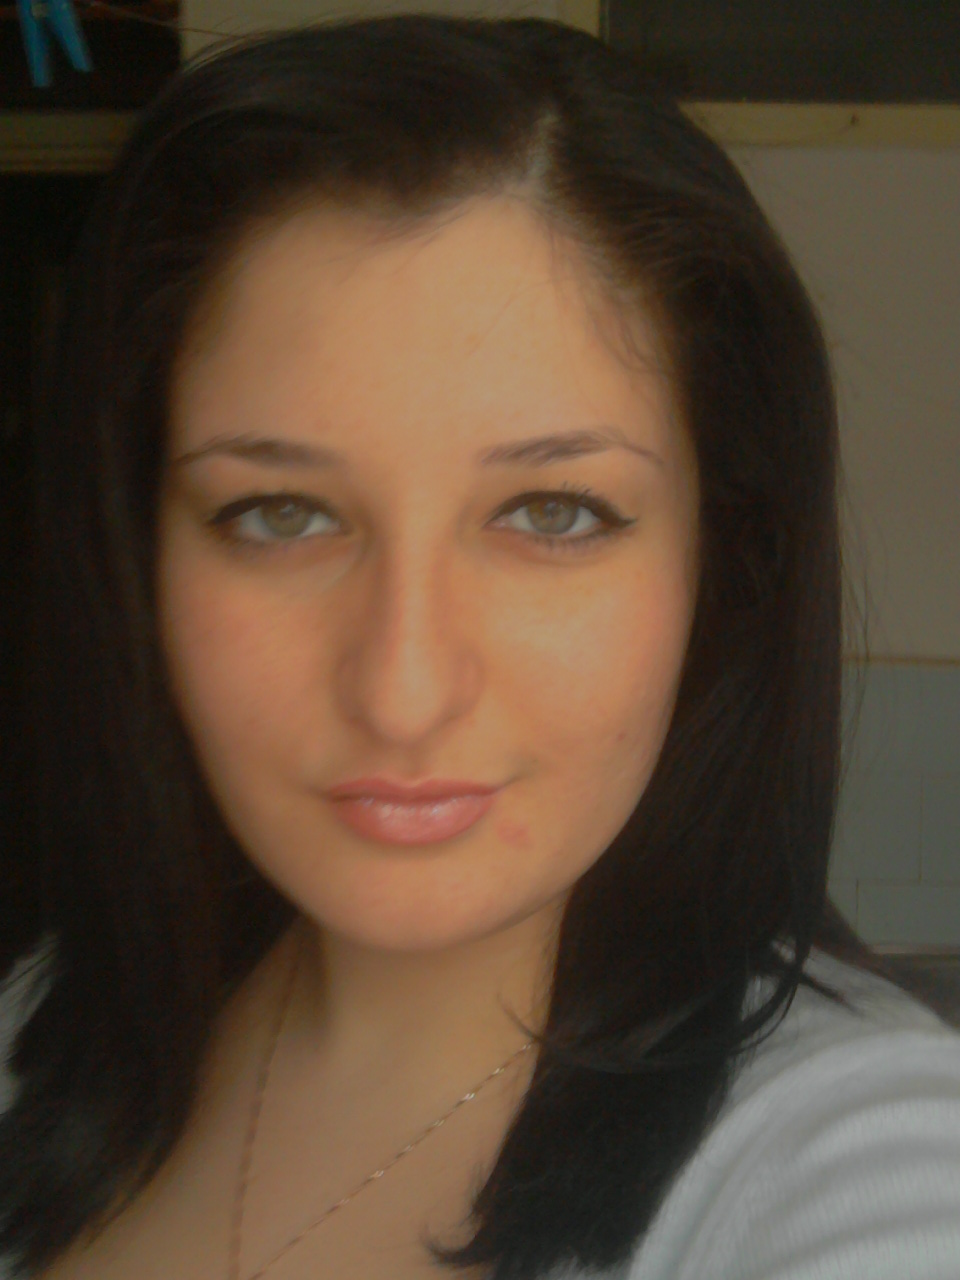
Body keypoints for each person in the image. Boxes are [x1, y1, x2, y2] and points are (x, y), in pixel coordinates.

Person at [1, 13, 959, 1280]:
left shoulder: (874, 1160)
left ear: (721, 562)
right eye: (280, 514)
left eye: (553, 513)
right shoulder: (41, 1027)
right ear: (139, 555)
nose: (403, 689)